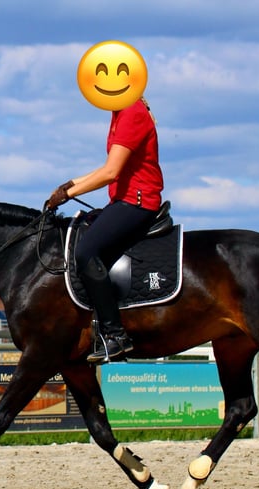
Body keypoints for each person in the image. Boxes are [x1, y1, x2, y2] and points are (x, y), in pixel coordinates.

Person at [46, 96, 164, 364]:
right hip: (124, 200)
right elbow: (108, 169)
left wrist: (69, 194)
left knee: (86, 252)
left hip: (137, 201)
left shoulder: (132, 112)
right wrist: (68, 185)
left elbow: (111, 172)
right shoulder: (120, 112)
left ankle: (115, 335)